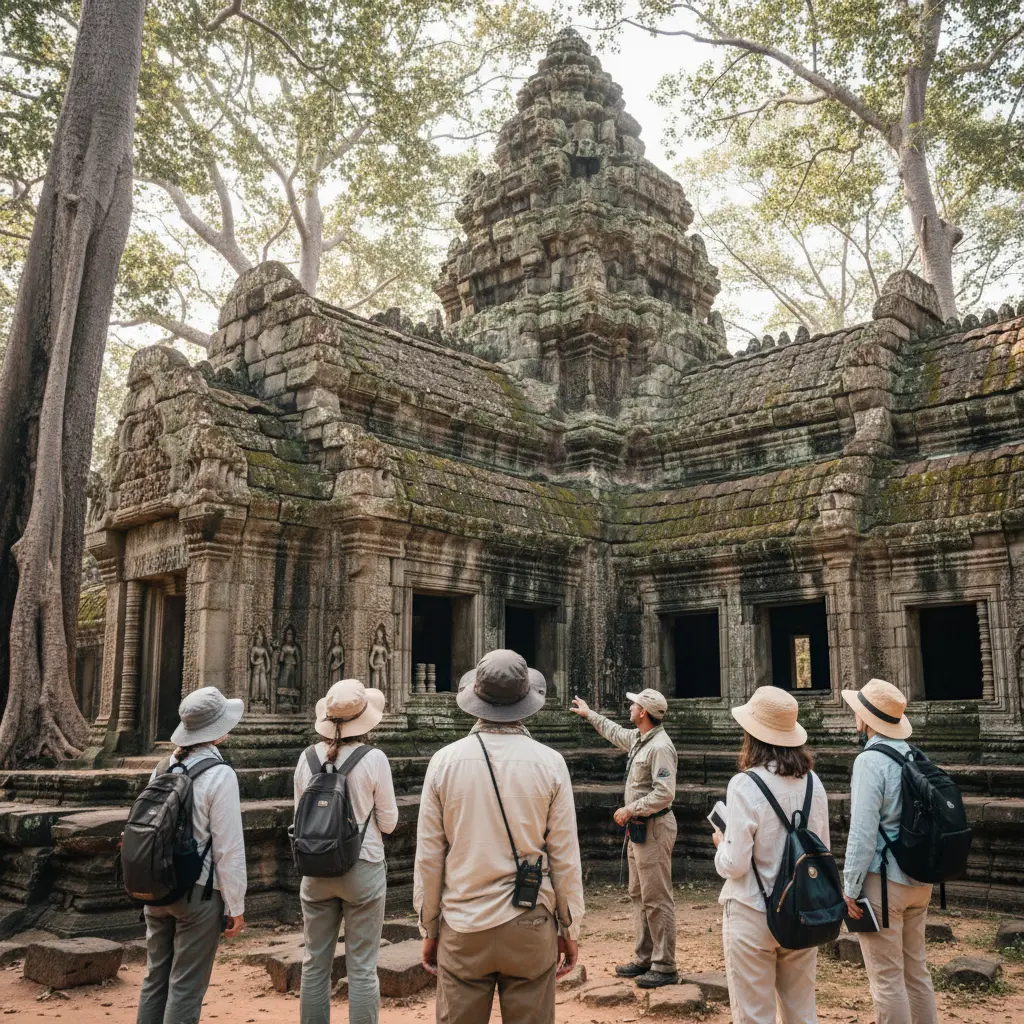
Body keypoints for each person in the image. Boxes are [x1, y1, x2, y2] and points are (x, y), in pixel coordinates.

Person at [415, 649, 584, 1024]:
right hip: (530, 925)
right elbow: (564, 857)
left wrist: (429, 926)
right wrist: (570, 927)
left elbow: (429, 857)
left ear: (475, 701)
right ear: (526, 703)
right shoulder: (550, 763)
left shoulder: (444, 762)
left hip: (463, 924)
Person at [713, 685, 828, 1024]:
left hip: (753, 912)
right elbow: (821, 849)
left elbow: (734, 864)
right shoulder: (814, 784)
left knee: (753, 1016)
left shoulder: (745, 784)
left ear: (753, 735)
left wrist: (721, 845)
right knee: (802, 1012)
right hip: (803, 910)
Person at [136, 686, 246, 1024]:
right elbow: (227, 848)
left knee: (155, 979)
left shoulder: (163, 768)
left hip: (156, 889)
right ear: (215, 731)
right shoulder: (220, 774)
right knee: (185, 987)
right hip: (197, 894)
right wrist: (236, 906)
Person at [294, 678, 398, 1024]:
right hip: (362, 868)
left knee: (314, 965)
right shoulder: (374, 758)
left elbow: (301, 819)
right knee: (363, 968)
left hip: (315, 870)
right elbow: (389, 822)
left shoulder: (306, 758)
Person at [841, 678, 938, 1024]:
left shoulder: (870, 762)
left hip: (885, 883)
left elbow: (863, 833)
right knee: (916, 973)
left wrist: (850, 888)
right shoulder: (912, 754)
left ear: (867, 719)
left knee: (887, 980)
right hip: (920, 879)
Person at [571, 687, 678, 987]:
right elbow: (614, 731)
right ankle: (645, 957)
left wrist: (632, 809)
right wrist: (589, 713)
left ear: (644, 712)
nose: (629, 707)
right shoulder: (640, 740)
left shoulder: (660, 747)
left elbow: (664, 793)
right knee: (639, 893)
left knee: (657, 897)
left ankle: (665, 965)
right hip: (640, 829)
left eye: (633, 705)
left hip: (654, 827)